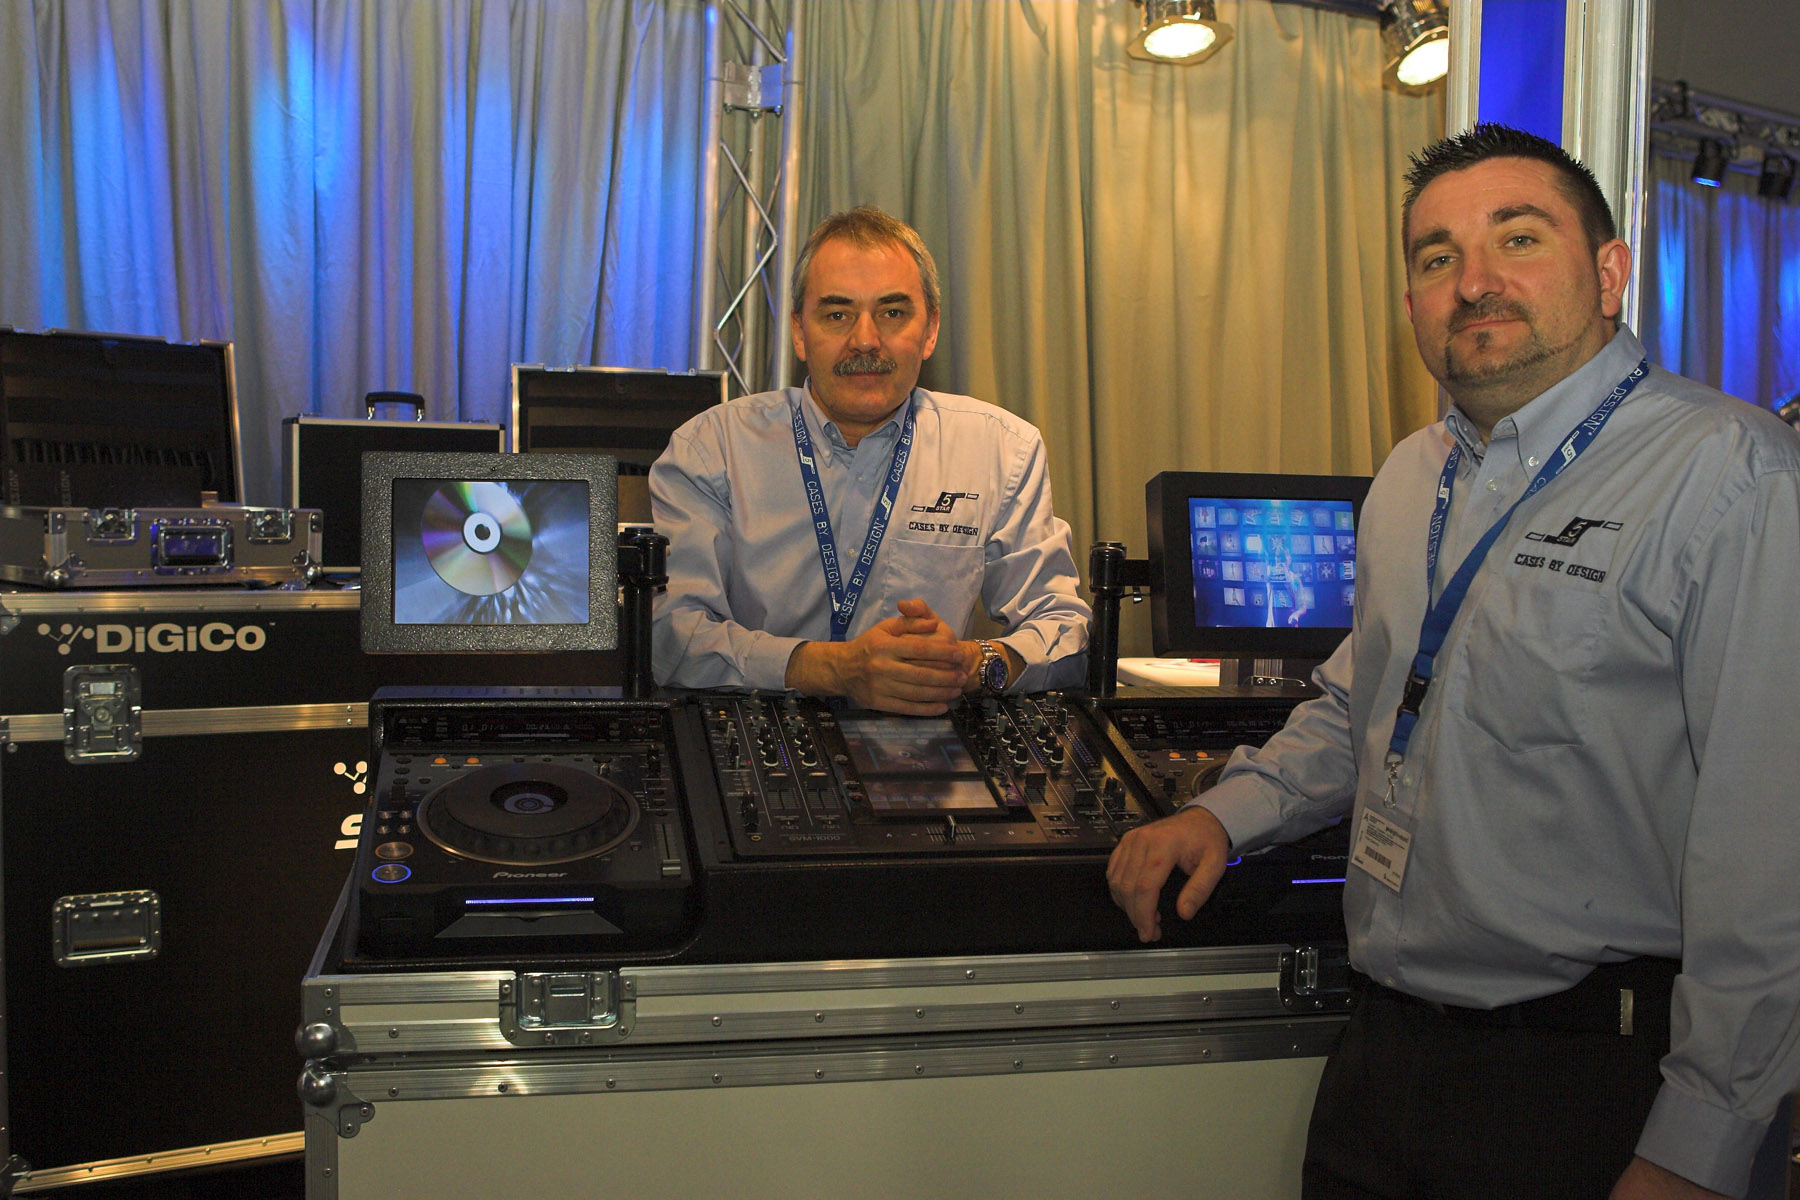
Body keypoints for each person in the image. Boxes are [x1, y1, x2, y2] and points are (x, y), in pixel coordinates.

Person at [1106, 124, 1800, 1199]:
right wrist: (1224, 814)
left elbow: (1771, 849)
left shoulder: (1733, 476)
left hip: (1593, 1082)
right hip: (1386, 1058)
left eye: (1518, 239)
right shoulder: (1409, 475)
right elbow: (1365, 698)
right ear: (1412, 304)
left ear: (1609, 273)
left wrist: (1697, 1152)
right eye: (1439, 258)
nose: (1474, 282)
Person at [649, 206, 1089, 713]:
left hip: (931, 740)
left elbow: (1065, 628)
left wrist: (973, 663)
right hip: (758, 730)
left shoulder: (1003, 450)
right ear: (799, 331)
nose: (864, 340)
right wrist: (832, 669)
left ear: (930, 330)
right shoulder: (711, 450)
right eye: (837, 314)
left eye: (892, 313)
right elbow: (670, 634)